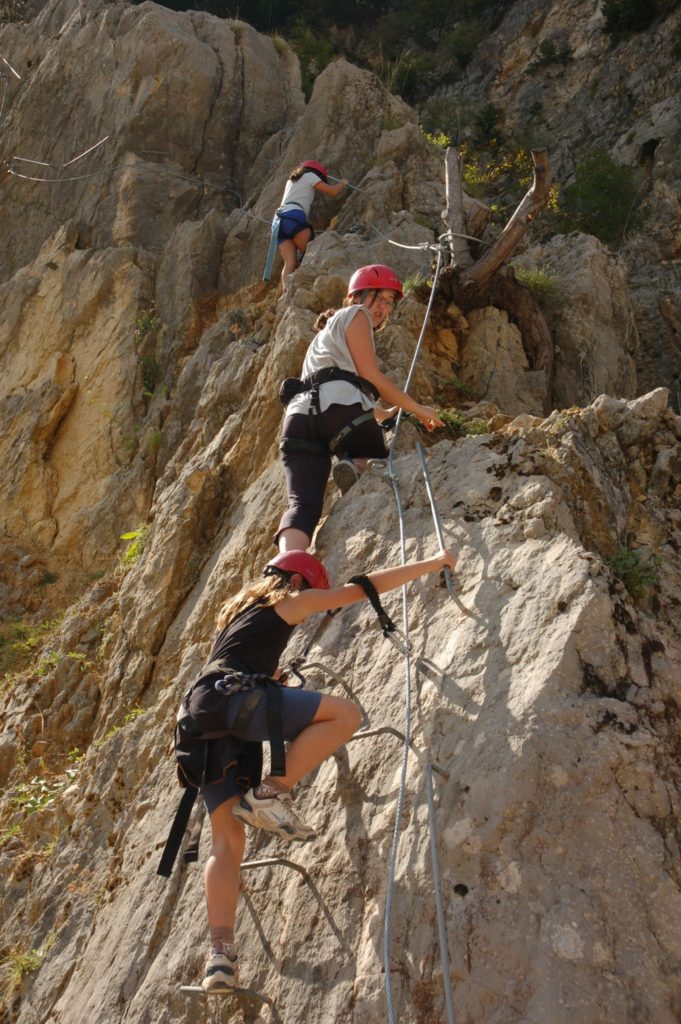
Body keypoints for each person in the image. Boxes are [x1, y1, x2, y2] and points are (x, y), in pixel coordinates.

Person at [197, 546, 457, 991]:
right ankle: (271, 791)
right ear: (298, 581)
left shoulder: (236, 620)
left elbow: (233, 666)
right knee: (345, 715)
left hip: (199, 722)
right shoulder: (289, 599)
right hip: (235, 703)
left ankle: (220, 956)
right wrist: (433, 563)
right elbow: (362, 589)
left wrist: (269, 679)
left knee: (226, 843)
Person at [276, 264, 445, 554]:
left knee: (302, 505)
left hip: (299, 419)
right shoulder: (357, 315)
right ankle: (356, 463)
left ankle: (287, 563)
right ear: (358, 296)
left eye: (389, 303)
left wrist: (383, 414)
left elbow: (343, 385)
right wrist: (418, 409)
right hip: (337, 413)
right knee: (379, 459)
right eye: (380, 298)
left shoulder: (325, 337)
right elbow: (370, 378)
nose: (384, 308)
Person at [274, 160, 347, 291]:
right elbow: (333, 192)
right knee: (312, 255)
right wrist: (342, 183)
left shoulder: (291, 181)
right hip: (294, 217)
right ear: (317, 173)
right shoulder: (310, 176)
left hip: (278, 221)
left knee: (290, 263)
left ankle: (285, 295)